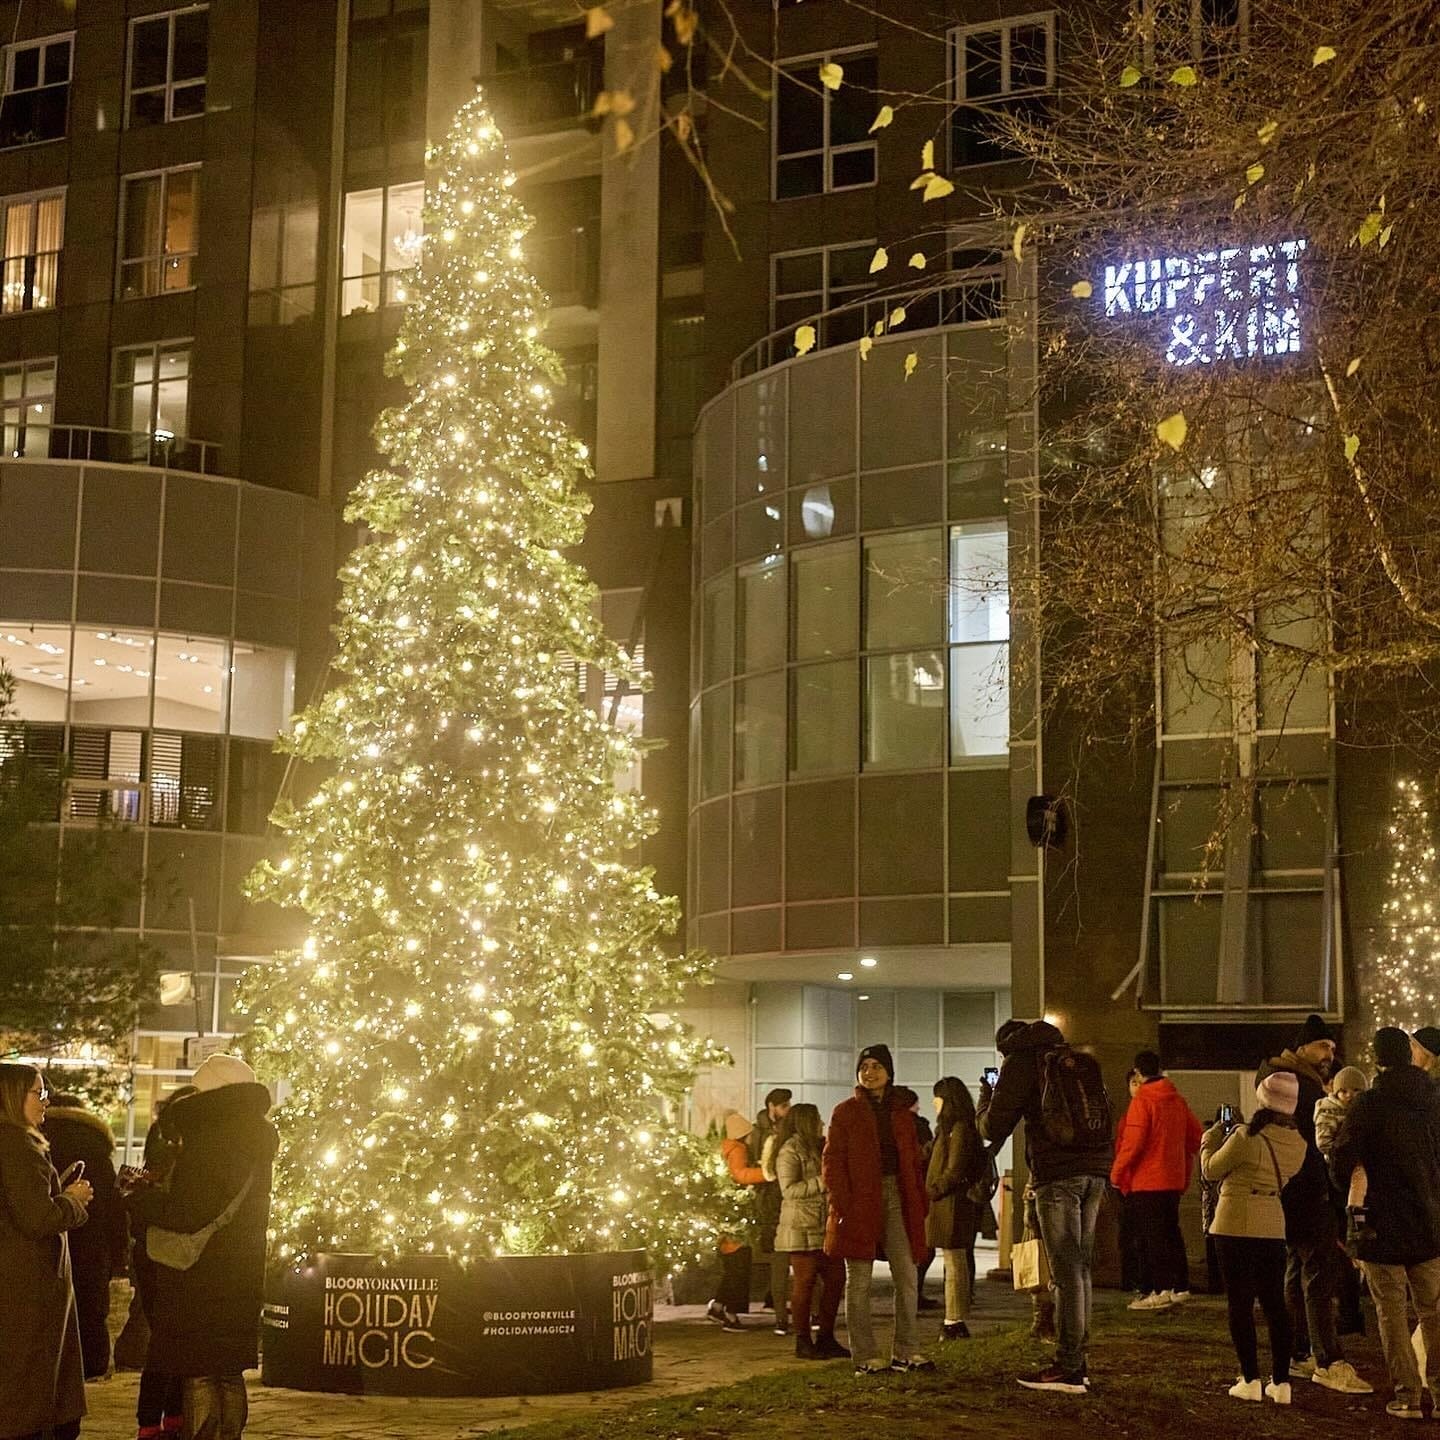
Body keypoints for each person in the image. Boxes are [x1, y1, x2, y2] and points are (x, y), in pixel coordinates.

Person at [124, 1054, 277, 1440]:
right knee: (227, 1372)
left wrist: (139, 1199)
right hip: (239, 1270)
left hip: (202, 1274)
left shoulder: (211, 1137)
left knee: (200, 1371)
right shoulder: (256, 1136)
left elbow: (186, 1211)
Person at [978, 1017, 1112, 1396]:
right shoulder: (1073, 1059)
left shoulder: (1022, 1062)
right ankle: (1078, 1363)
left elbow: (992, 1126)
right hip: (1096, 1170)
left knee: (1066, 1271)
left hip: (1058, 1176)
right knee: (1080, 1268)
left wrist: (986, 1095)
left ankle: (1069, 1368)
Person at [1331, 1027, 1440, 1420]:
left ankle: (1408, 1395)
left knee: (1391, 1313)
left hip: (1381, 1227)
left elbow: (1342, 1161)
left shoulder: (1369, 1105)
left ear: (1377, 1059)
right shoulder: (1433, 1100)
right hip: (1428, 1224)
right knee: (1433, 1311)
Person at [823, 1044, 932, 1375]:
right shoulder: (846, 1112)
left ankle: (907, 1350)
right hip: (859, 1200)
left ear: (889, 1072)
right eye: (864, 1066)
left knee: (907, 1273)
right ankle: (866, 1356)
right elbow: (832, 1161)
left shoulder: (901, 1114)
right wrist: (843, 1202)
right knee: (859, 1280)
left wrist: (919, 1197)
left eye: (876, 1066)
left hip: (897, 1195)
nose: (869, 1072)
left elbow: (913, 1161)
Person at [1258, 1013, 1355, 1386]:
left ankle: (1298, 1351)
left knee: (1297, 1272)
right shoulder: (1303, 1087)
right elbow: (1315, 1148)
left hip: (1290, 1192)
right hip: (1308, 1192)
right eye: (1322, 1046)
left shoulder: (1284, 1079)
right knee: (1317, 1276)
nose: (1330, 1052)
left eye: (1332, 1046)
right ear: (1302, 1048)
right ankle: (1327, 1359)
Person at [0, 1063, 94, 1440]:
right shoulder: (16, 1144)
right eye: (36, 1093)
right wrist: (73, 1201)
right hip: (27, 1289)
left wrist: (59, 1193)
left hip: (22, 1285)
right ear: (10, 1096)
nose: (45, 1101)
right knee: (28, 1398)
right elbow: (36, 1217)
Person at [1202, 1072, 1306, 1404]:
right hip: (1272, 1224)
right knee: (1275, 1304)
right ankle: (1281, 1382)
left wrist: (1210, 1138)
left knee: (1240, 1304)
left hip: (1234, 1224)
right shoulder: (1299, 1144)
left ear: (1262, 1100)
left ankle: (1250, 1379)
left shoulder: (1246, 1136)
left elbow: (1210, 1170)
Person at [130, 1085, 199, 1440]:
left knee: (171, 1335)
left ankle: (170, 1413)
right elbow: (161, 1189)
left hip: (156, 1246)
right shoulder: (171, 1138)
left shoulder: (169, 1133)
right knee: (165, 1336)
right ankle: (152, 1419)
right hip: (158, 1248)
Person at [43, 1093, 127, 1381]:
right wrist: (119, 1255)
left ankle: (53, 1372)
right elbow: (113, 1206)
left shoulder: (37, 1141)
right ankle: (90, 1367)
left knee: (49, 1313)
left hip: (49, 1243)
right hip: (93, 1245)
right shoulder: (96, 1149)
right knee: (91, 1311)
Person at [1110, 1050, 1201, 1312]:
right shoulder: (1176, 1100)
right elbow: (1196, 1137)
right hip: (1172, 1179)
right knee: (1171, 1233)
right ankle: (1181, 1286)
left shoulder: (1142, 1102)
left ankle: (1160, 1290)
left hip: (1147, 1181)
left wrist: (1117, 1174)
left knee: (1153, 1239)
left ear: (1138, 1072)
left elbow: (1133, 1143)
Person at [774, 1102, 848, 1360]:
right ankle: (802, 1339)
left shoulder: (821, 1146)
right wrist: (822, 1181)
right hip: (801, 1225)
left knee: (836, 1279)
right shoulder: (790, 1150)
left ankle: (826, 1337)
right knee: (804, 1283)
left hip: (824, 1224)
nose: (821, 1123)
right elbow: (789, 1190)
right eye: (817, 1118)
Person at [1314, 1064, 1369, 1337]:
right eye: (1344, 1091)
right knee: (1346, 1249)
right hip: (1340, 1189)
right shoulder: (1328, 1113)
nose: (1349, 1096)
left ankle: (1352, 1309)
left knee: (1354, 1247)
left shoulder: (1363, 1114)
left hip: (1354, 1189)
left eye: (1356, 1090)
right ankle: (1349, 1311)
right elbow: (1325, 1144)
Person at [927, 1077, 983, 1341]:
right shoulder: (948, 1128)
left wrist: (934, 1189)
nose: (933, 1102)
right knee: (953, 1261)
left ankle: (954, 1320)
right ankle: (954, 1318)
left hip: (953, 1204)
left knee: (955, 1261)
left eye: (937, 1097)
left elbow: (954, 1169)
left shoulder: (959, 1129)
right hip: (947, 1204)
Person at [709, 1111, 764, 1330]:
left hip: (728, 1216)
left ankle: (718, 1307)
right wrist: (766, 1173)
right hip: (736, 1218)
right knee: (739, 1268)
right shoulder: (738, 1150)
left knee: (732, 1267)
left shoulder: (727, 1148)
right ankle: (731, 1315)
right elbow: (740, 1175)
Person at [752, 1087, 792, 1336]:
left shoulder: (781, 1131)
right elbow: (764, 1168)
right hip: (772, 1201)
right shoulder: (763, 1134)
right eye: (783, 1106)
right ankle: (780, 1314)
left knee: (785, 1262)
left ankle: (781, 1312)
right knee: (781, 1260)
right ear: (772, 1107)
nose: (787, 1110)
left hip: (778, 1200)